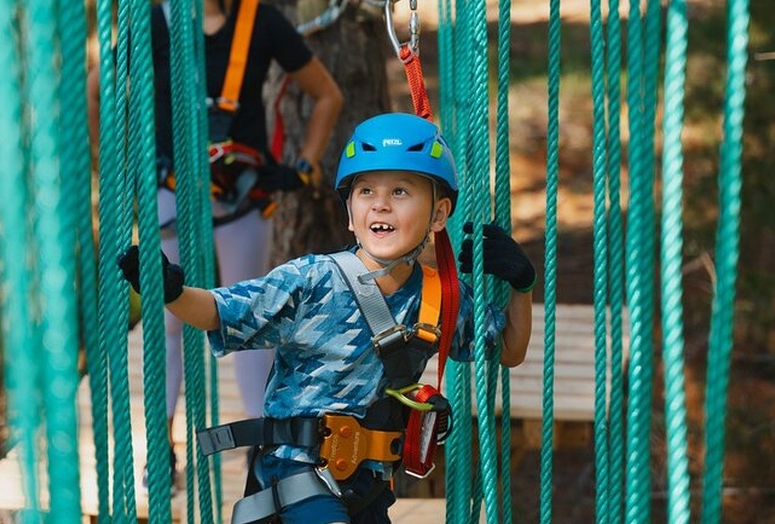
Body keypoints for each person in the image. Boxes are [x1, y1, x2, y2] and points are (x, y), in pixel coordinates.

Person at [118, 113, 534, 523]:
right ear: (350, 212)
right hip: (296, 475)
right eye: (366, 191)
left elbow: (508, 350)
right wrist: (172, 293)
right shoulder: (313, 280)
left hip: (368, 487)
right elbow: (219, 311)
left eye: (401, 191)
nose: (381, 204)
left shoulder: (441, 296)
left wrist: (521, 285)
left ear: (439, 214)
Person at [87, 0, 344, 488]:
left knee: (252, 318)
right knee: (167, 320)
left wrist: (305, 166)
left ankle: (262, 452)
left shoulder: (260, 21)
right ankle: (159, 452)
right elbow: (98, 88)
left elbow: (326, 94)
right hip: (171, 192)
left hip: (241, 197)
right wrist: (114, 168)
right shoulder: (154, 21)